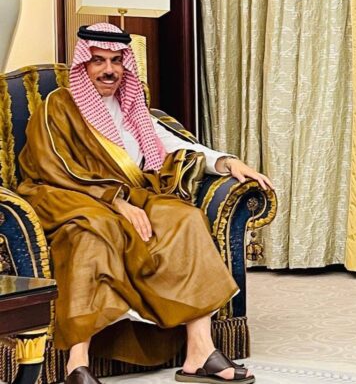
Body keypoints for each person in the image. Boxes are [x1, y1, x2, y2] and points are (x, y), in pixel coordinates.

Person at [16, 23, 272, 384]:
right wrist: (115, 202)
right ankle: (77, 363)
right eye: (98, 60)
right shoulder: (59, 105)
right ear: (83, 64)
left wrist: (227, 163)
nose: (109, 70)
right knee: (94, 231)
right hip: (70, 196)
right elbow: (51, 165)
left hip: (129, 195)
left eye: (116, 61)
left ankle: (200, 351)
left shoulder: (132, 107)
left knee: (185, 218)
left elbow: (175, 144)